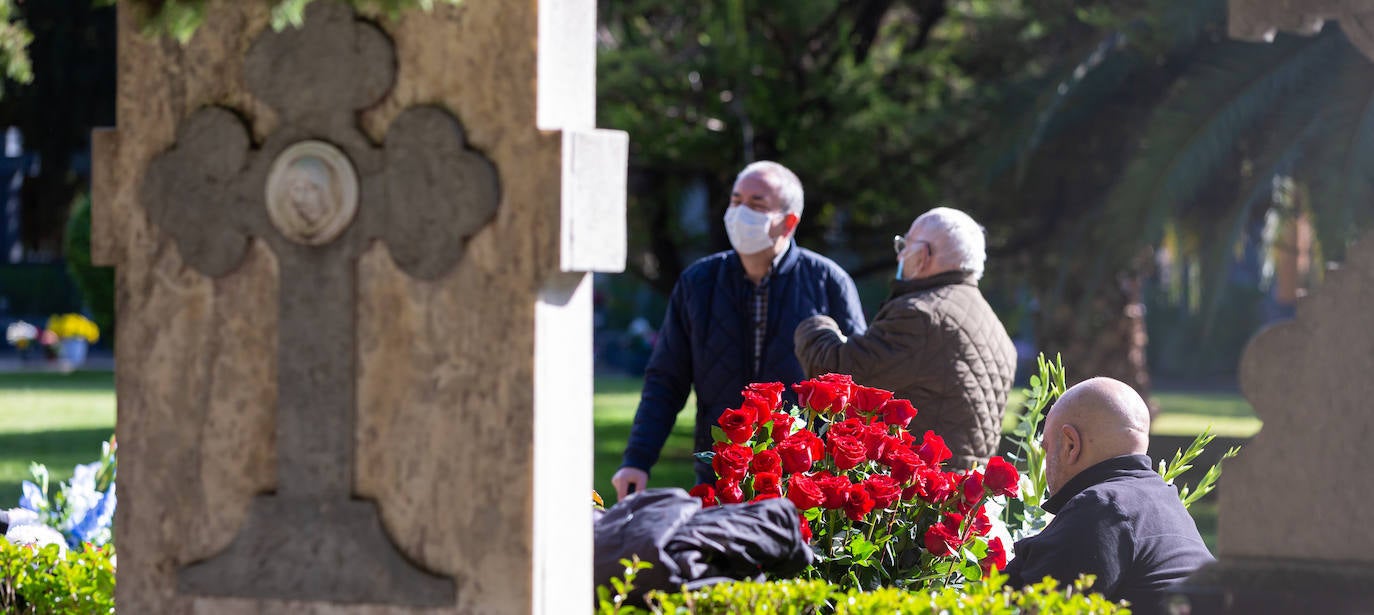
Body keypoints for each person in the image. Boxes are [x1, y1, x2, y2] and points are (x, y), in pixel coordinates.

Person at [612, 161, 867, 499]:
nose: (740, 212)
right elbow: (666, 379)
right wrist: (637, 460)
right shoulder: (698, 282)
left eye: (757, 204)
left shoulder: (827, 282)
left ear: (789, 222)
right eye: (735, 201)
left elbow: (858, 383)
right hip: (721, 473)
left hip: (805, 483)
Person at [793, 207, 1016, 469]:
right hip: (959, 494)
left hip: (916, 496)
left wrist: (816, 325)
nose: (900, 254)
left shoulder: (921, 314)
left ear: (923, 254)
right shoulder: (992, 324)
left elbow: (839, 373)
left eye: (905, 245)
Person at [1004, 377, 1214, 615]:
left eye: (1047, 447)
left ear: (1071, 445)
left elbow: (1025, 607)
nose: (1044, 461)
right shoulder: (1164, 500)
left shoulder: (1102, 507)